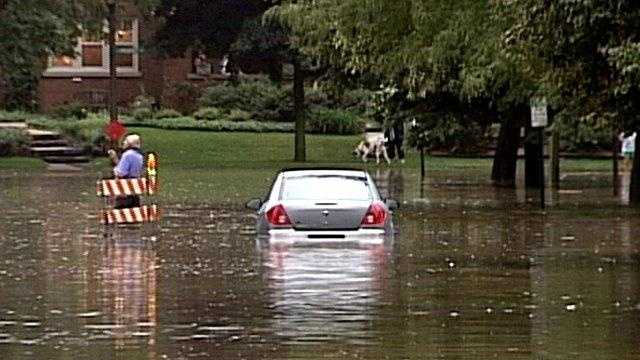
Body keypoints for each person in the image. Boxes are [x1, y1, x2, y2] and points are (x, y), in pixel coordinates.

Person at [108, 134, 144, 208]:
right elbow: (128, 170)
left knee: (120, 214)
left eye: (125, 141)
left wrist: (115, 170)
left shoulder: (127, 154)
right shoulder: (139, 156)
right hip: (134, 189)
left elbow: (121, 173)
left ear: (130, 144)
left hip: (125, 190)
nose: (123, 142)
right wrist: (116, 159)